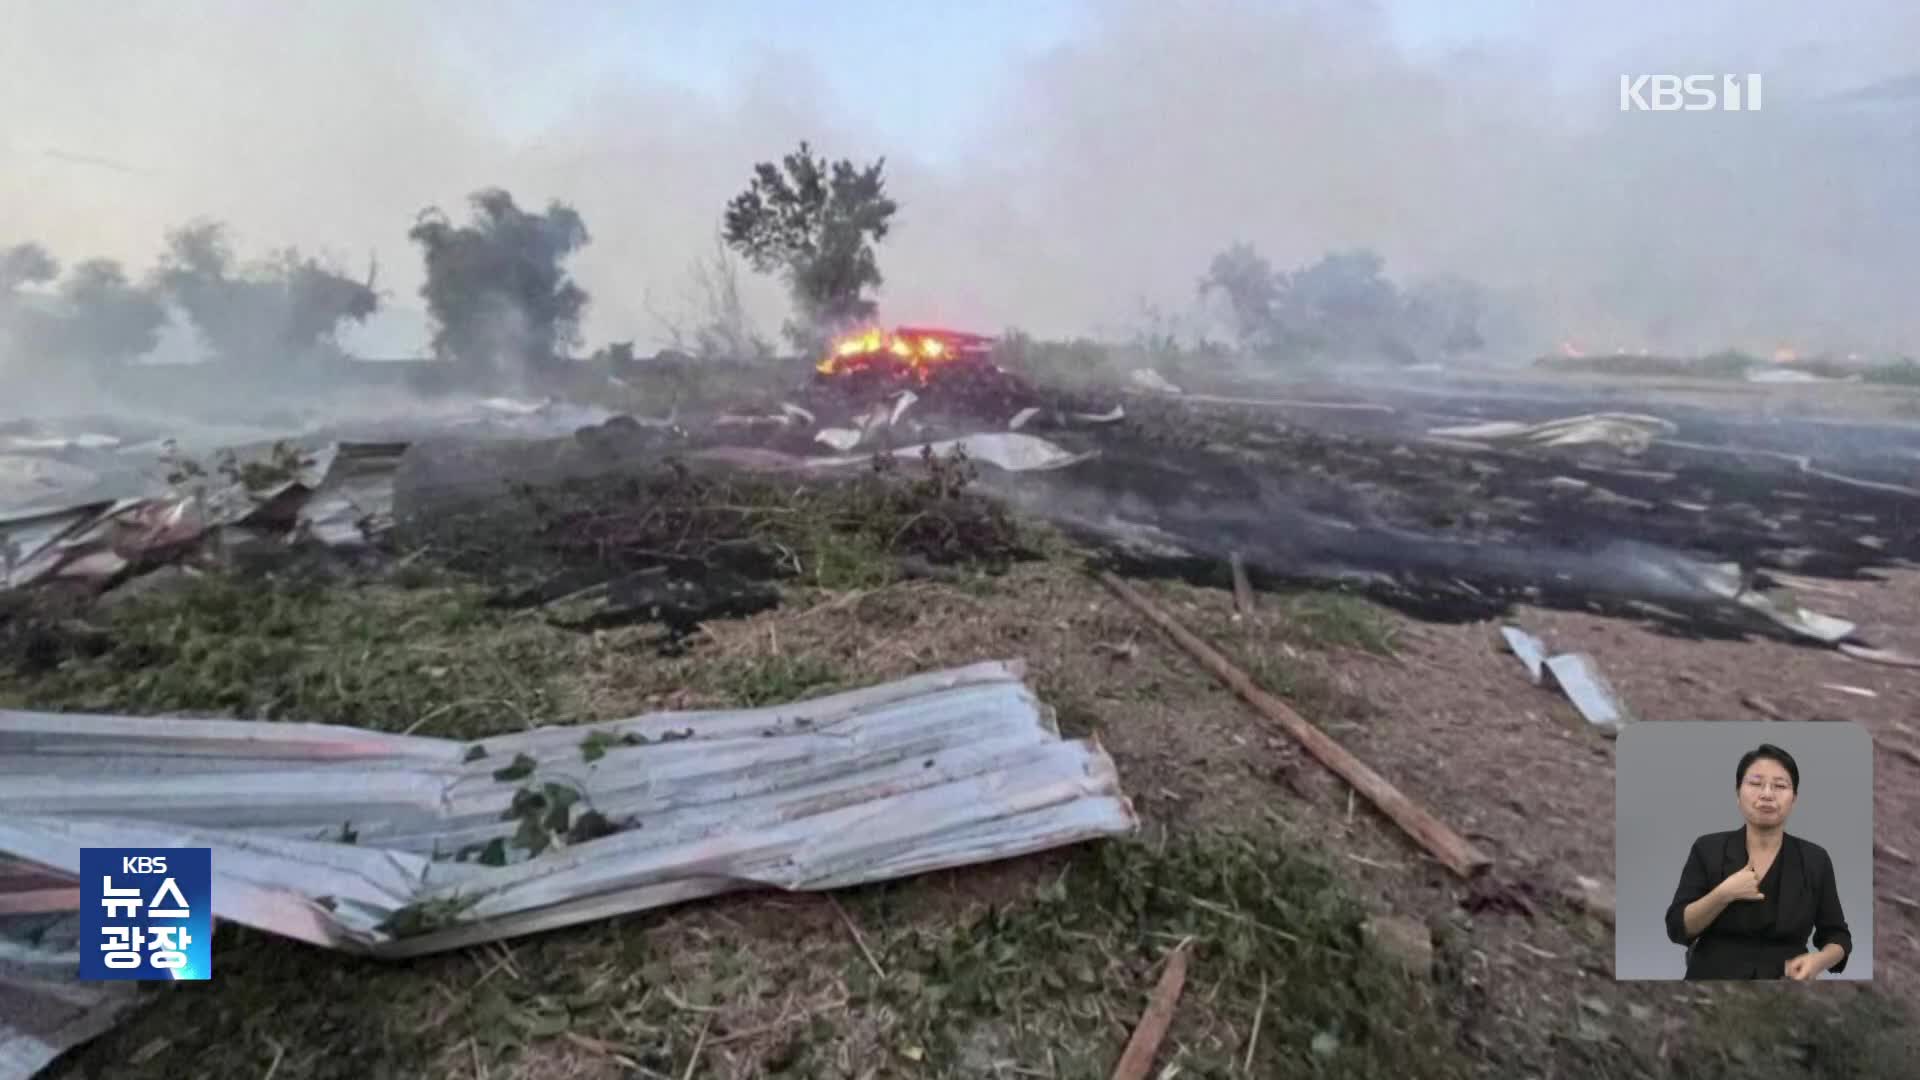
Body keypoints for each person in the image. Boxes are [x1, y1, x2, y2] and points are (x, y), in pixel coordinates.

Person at [1664, 743, 1852, 980]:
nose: (1767, 794)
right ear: (1737, 793)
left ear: (1794, 798)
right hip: (1712, 980)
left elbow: (1838, 936)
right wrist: (1723, 894)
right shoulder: (1708, 849)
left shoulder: (1815, 859)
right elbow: (1678, 928)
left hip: (1786, 986)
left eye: (1780, 786)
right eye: (1755, 783)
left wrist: (1817, 960)